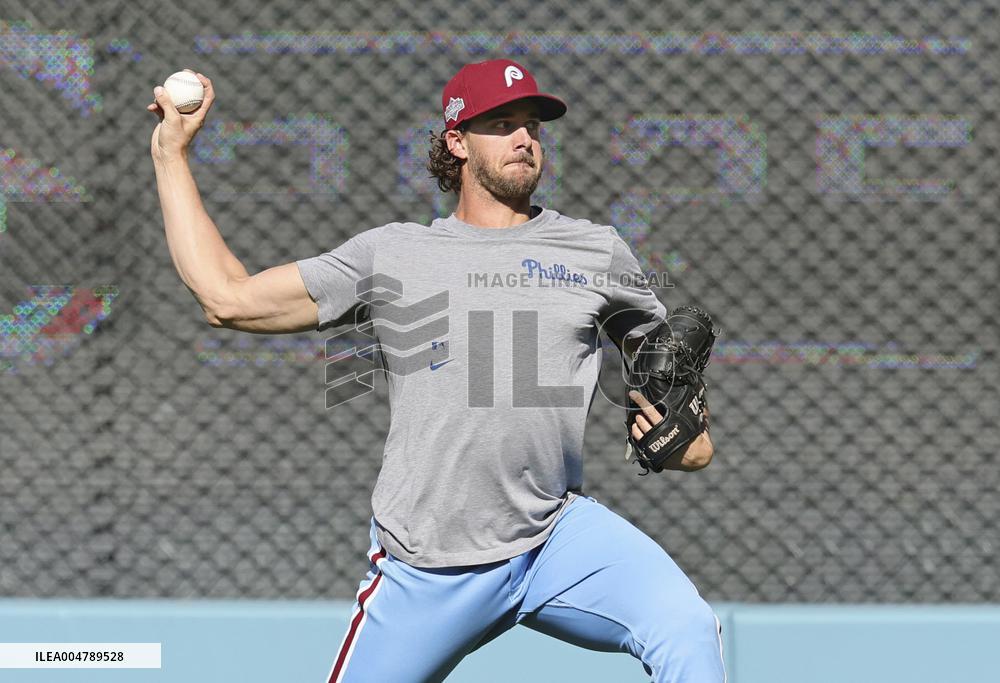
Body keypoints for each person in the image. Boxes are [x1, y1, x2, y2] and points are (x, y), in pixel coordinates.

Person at [147, 60, 724, 683]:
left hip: (555, 535)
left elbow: (678, 407)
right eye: (501, 124)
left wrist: (685, 437)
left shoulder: (596, 252)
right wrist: (169, 154)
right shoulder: (394, 253)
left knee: (686, 627)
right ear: (457, 142)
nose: (524, 138)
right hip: (429, 561)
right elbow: (226, 299)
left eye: (532, 125)